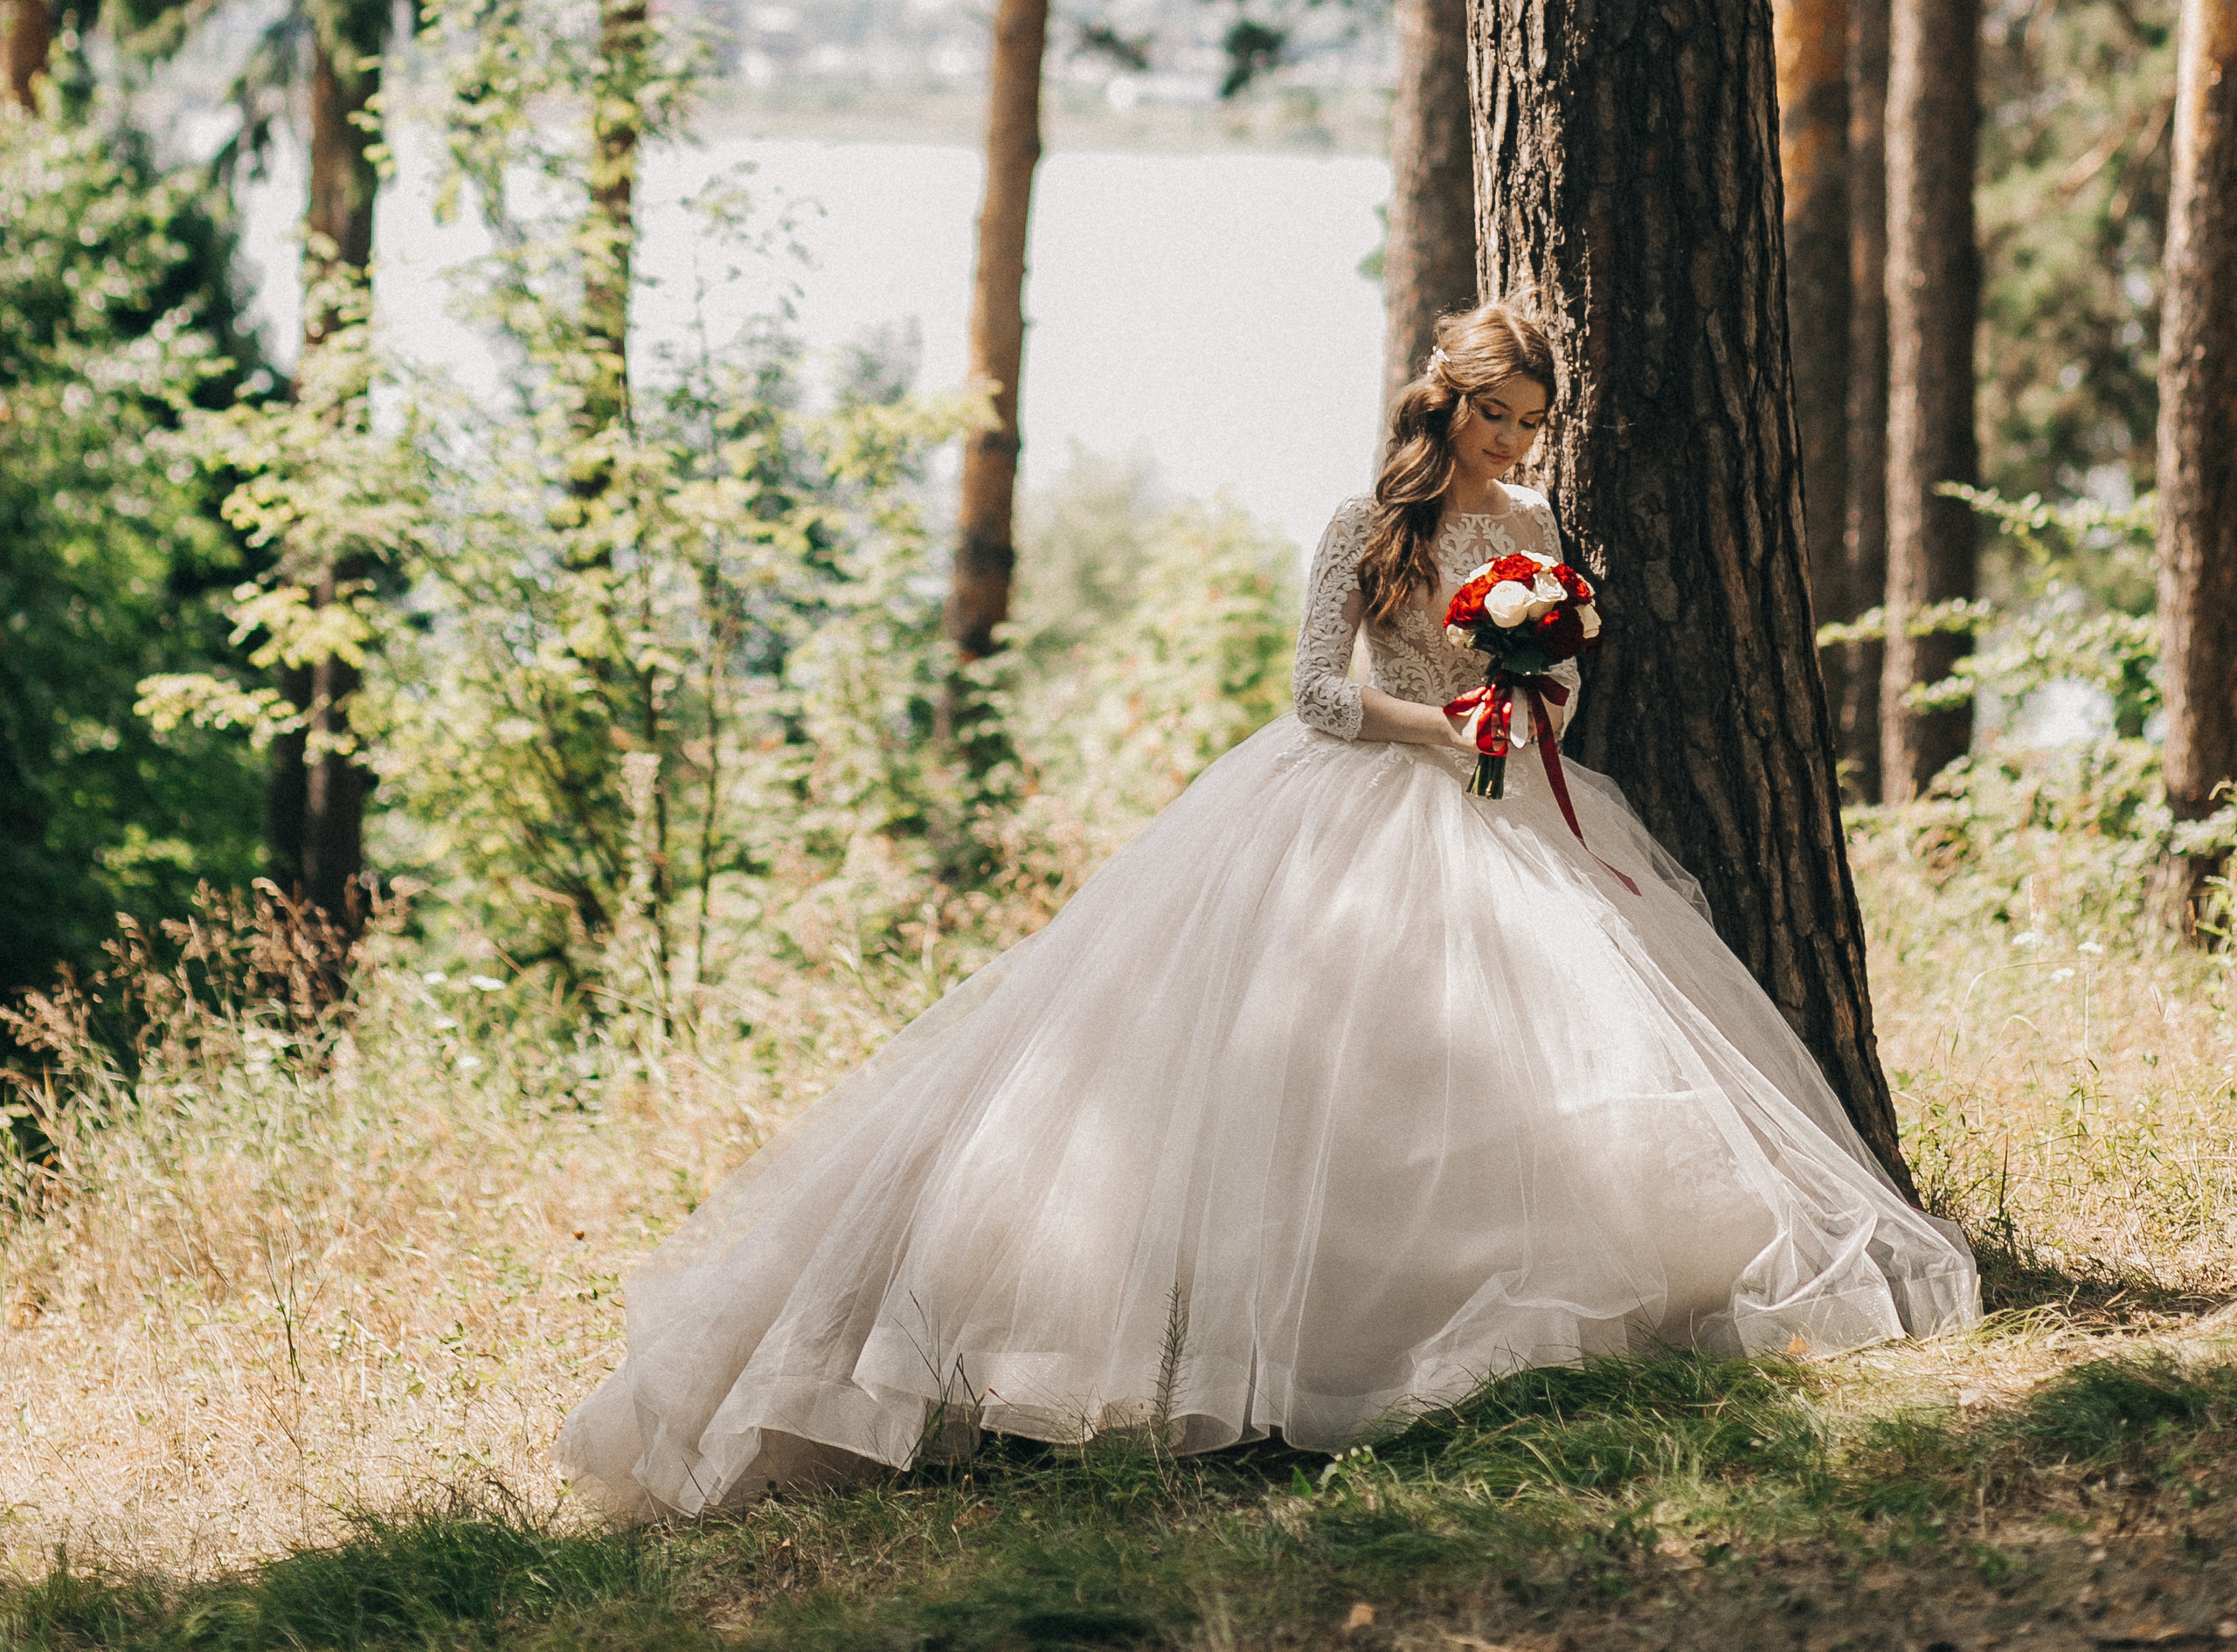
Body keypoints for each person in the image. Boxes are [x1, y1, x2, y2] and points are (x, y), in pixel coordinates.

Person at [558, 298, 1977, 1515]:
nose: (1519, 453)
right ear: (1455, 407)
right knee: (1295, 1078)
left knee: (1553, 1045)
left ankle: (1505, 1330)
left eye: (1534, 430)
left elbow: (1564, 682)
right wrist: (1445, 726)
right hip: (1356, 803)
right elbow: (1313, 692)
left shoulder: (1538, 523)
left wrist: (1533, 694)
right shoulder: (1369, 520)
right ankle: (1219, 1360)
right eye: (1503, 426)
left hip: (1513, 810)